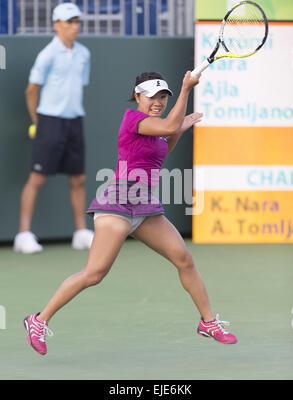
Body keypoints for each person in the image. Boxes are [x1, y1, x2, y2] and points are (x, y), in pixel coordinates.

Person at [23, 70, 237, 356]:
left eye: (164, 96)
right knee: (94, 273)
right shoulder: (132, 119)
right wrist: (186, 90)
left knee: (184, 259)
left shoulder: (158, 129)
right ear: (138, 96)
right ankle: (38, 320)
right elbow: (170, 124)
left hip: (144, 205)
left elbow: (164, 145)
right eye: (152, 96)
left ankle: (208, 322)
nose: (158, 102)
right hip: (118, 202)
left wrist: (177, 129)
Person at [14, 3, 93, 254]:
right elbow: (31, 90)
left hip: (74, 121)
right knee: (37, 178)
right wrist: (38, 121)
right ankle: (23, 234)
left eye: (77, 22)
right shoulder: (47, 54)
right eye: (69, 22)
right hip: (49, 121)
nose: (74, 26)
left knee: (78, 178)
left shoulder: (84, 53)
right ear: (56, 25)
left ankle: (81, 232)